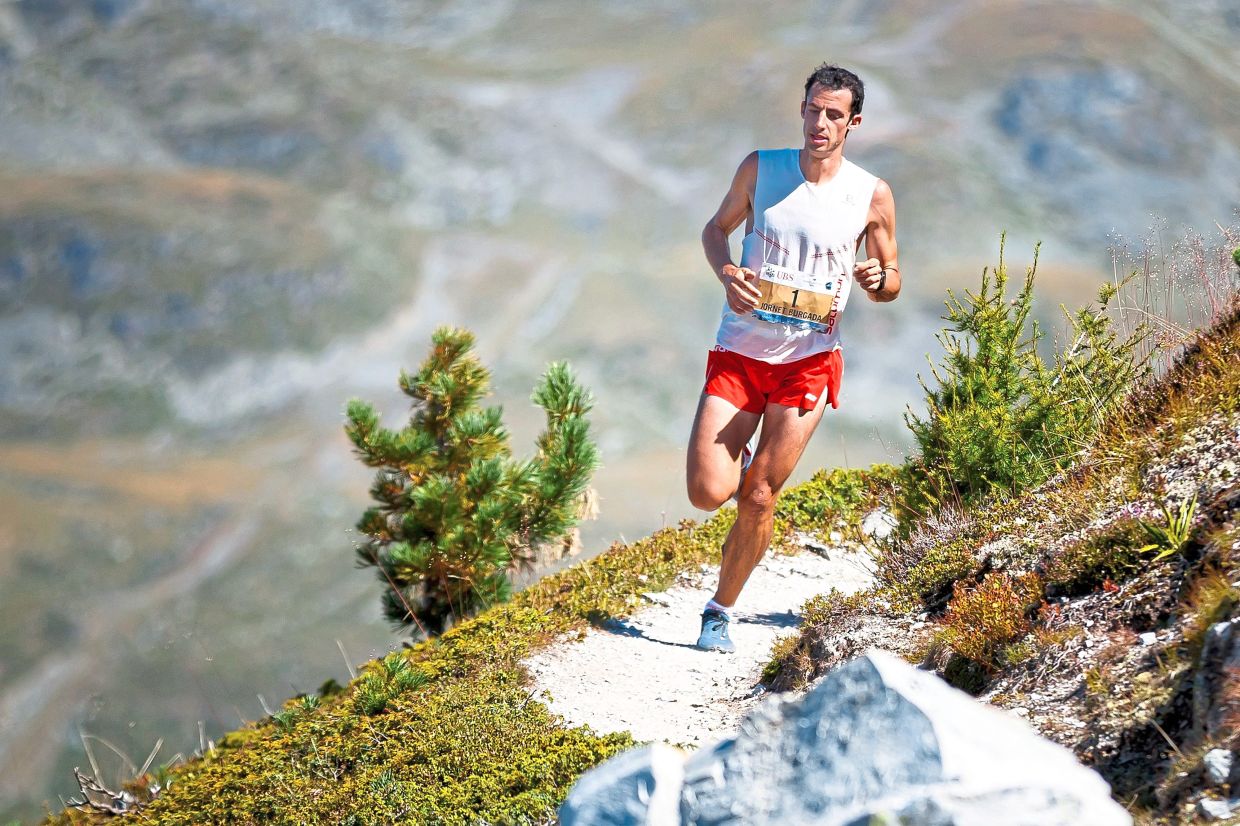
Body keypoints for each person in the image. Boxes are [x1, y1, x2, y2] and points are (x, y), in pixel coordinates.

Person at [686, 63, 901, 652]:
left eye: (835, 115)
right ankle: (746, 466)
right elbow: (715, 229)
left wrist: (877, 278)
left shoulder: (870, 194)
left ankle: (718, 611)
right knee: (707, 491)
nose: (821, 123)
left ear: (853, 122)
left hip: (808, 362)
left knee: (758, 496)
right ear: (802, 109)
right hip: (740, 353)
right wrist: (727, 269)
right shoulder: (762, 168)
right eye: (813, 110)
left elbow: (890, 283)